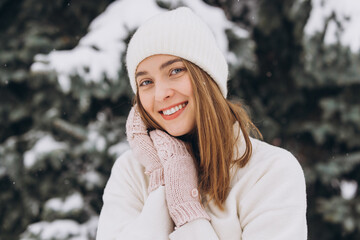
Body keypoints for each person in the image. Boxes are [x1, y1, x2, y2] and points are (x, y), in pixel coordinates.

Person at [96, 7, 307, 240]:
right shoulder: (131, 172)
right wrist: (162, 181)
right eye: (146, 82)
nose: (161, 94)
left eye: (175, 71)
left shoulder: (269, 172)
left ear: (207, 77)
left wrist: (186, 209)